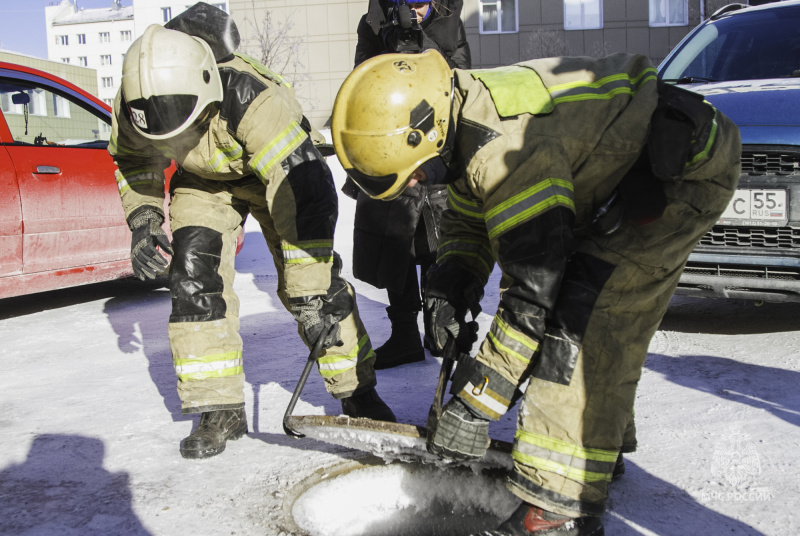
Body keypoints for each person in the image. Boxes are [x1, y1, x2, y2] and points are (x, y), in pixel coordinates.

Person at [331, 51, 740, 534]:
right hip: (611, 172)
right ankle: (597, 449)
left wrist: (475, 403)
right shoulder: (458, 112)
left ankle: (557, 507)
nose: (416, 182)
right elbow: (469, 211)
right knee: (574, 302)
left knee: (586, 319)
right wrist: (451, 283)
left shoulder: (504, 148)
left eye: (415, 172)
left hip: (675, 169)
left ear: (427, 129)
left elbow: (533, 298)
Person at [110, 13, 395, 460]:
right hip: (204, 182)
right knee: (192, 279)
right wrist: (144, 219)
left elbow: (307, 200)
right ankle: (219, 408)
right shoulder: (137, 102)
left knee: (316, 290)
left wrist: (309, 295)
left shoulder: (255, 101)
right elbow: (132, 161)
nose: (178, 137)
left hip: (276, 177)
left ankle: (357, 393)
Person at [346, 0, 472, 370]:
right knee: (394, 250)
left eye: (421, 2)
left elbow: (459, 79)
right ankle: (404, 335)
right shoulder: (372, 25)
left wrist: (421, 43)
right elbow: (361, 80)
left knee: (438, 248)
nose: (414, 9)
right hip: (389, 147)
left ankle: (440, 330)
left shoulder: (449, 26)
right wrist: (389, 44)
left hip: (435, 149)